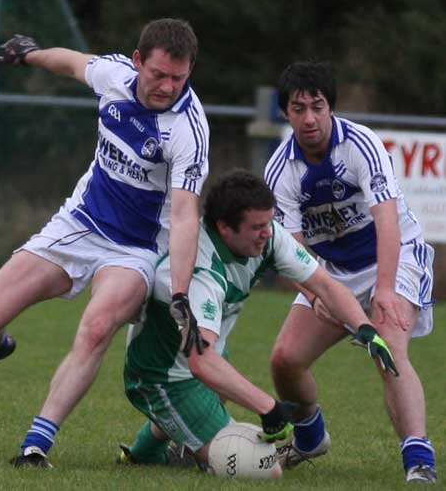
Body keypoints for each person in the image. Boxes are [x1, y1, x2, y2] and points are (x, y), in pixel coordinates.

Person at [0, 18, 209, 468]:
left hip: (134, 251)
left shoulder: (188, 129)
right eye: (158, 75)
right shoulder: (115, 75)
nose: (168, 86)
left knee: (96, 328)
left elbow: (186, 213)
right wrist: (29, 53)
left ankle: (35, 446)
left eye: (179, 77)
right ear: (137, 62)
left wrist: (180, 293)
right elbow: (72, 64)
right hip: (78, 225)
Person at [119, 169, 397, 473]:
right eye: (257, 227)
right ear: (224, 228)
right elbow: (201, 362)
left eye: (269, 222)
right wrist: (269, 407)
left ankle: (143, 453)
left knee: (219, 391)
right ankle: (174, 438)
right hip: (164, 379)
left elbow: (325, 285)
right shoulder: (200, 272)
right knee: (265, 470)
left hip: (207, 362)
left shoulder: (268, 236)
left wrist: (365, 328)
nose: (268, 232)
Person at [264, 61, 436, 483]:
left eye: (317, 106)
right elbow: (292, 248)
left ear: (330, 108)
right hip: (330, 271)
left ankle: (419, 459)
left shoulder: (362, 144)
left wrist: (383, 289)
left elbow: (388, 222)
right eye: (298, 108)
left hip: (391, 258)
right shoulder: (280, 170)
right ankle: (309, 436)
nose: (309, 118)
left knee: (388, 348)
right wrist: (318, 290)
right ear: (286, 113)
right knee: (284, 360)